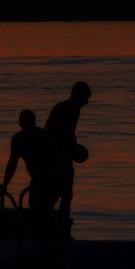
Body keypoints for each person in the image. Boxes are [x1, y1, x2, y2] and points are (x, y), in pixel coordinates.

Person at [0, 109, 66, 255]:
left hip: (45, 180)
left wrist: (5, 185)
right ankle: (52, 242)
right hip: (57, 179)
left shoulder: (19, 138)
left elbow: (12, 164)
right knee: (43, 212)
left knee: (40, 212)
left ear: (20, 123)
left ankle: (56, 243)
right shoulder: (45, 135)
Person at [45, 81, 91, 224]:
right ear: (78, 95)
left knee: (63, 191)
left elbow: (68, 134)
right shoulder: (71, 109)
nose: (86, 102)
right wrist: (71, 150)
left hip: (60, 152)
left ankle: (55, 218)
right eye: (85, 98)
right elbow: (65, 133)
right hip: (58, 152)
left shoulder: (65, 107)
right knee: (63, 190)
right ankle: (55, 219)